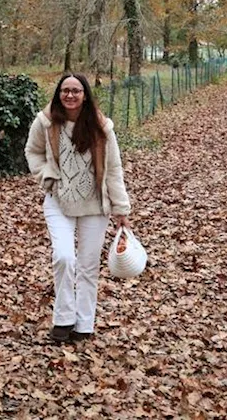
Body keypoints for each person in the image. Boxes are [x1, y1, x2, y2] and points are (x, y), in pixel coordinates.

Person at [25, 73, 132, 343]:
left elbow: (114, 170)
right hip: (58, 200)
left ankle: (84, 324)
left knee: (87, 266)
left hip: (95, 204)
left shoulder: (101, 127)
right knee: (64, 257)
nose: (70, 95)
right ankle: (63, 319)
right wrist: (45, 175)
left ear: (85, 95)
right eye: (65, 91)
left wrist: (121, 209)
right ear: (58, 94)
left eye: (76, 91)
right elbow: (32, 151)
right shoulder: (46, 122)